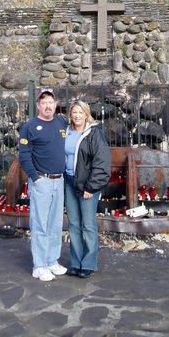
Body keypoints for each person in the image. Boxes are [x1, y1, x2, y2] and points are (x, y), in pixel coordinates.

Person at [18, 89, 68, 282]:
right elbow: (24, 154)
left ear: (55, 104)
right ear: (38, 105)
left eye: (51, 101)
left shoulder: (62, 123)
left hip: (59, 180)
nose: (48, 105)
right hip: (42, 181)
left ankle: (52, 260)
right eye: (44, 102)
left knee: (55, 223)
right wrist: (35, 177)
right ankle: (39, 265)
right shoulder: (30, 126)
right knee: (40, 224)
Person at [64, 100, 111, 279]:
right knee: (74, 224)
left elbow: (102, 162)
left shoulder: (93, 134)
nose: (77, 116)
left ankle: (89, 263)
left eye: (80, 112)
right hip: (69, 182)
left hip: (87, 186)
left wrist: (92, 186)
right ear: (70, 114)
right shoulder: (67, 132)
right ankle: (76, 262)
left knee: (88, 224)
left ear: (86, 114)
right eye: (74, 112)